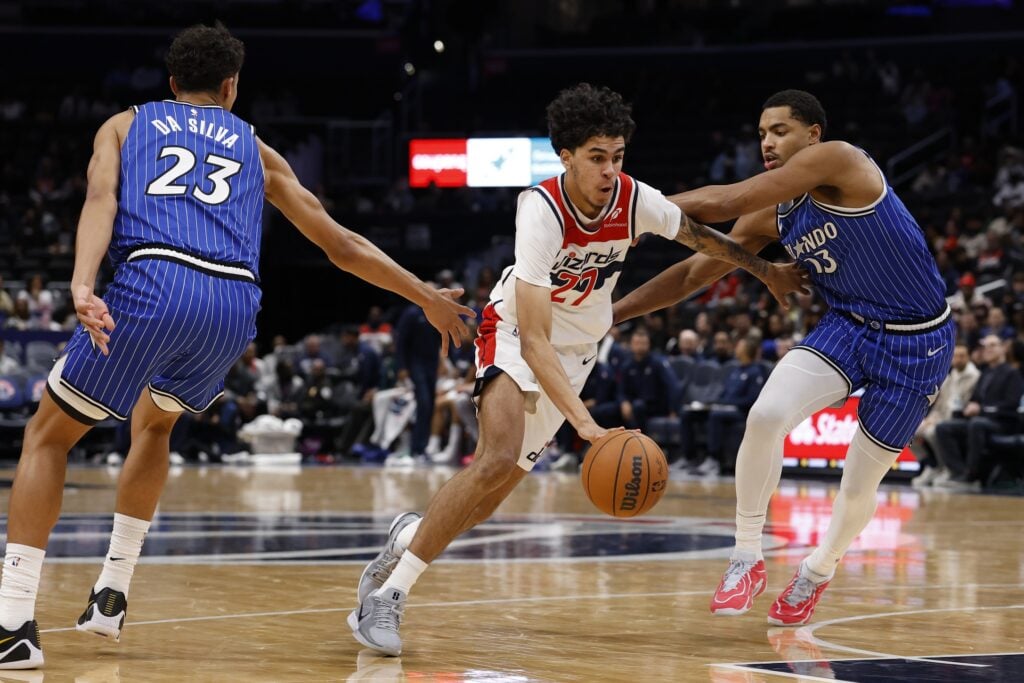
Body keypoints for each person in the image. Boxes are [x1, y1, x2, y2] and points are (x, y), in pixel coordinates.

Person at [0, 23, 473, 669]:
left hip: (154, 280)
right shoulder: (255, 144)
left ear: (171, 84)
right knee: (157, 424)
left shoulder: (126, 123)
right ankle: (112, 590)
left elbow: (101, 198)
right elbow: (341, 245)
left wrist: (83, 284)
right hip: (232, 303)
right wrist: (425, 294)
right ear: (230, 87)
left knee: (47, 437)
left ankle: (13, 624)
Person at [348, 83, 807, 656]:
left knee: (490, 498)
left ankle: (409, 536)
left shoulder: (635, 200)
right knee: (494, 457)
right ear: (565, 157)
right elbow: (536, 339)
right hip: (516, 333)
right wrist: (587, 427)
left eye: (617, 156)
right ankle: (387, 598)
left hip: (578, 351)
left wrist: (762, 270)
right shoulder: (539, 210)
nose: (610, 170)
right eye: (596, 158)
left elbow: (700, 237)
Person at [613, 89, 956, 626]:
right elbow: (691, 275)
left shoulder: (842, 159)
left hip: (918, 342)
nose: (768, 142)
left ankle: (817, 572)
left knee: (859, 482)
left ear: (812, 134)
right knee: (766, 415)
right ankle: (746, 556)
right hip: (847, 327)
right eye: (762, 134)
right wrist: (613, 314)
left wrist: (637, 209)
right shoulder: (771, 216)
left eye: (780, 131)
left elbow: (727, 198)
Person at [933, 335, 1024, 492]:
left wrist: (981, 409)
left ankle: (972, 475)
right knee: (943, 427)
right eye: (985, 346)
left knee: (976, 424)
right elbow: (975, 399)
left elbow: (1011, 404)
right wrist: (970, 407)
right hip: (981, 421)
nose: (988, 349)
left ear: (1002, 348)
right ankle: (958, 472)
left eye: (993, 345)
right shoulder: (986, 372)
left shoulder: (1012, 373)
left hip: (1003, 423)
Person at [910, 343, 979, 488]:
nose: (958, 359)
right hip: (941, 417)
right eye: (956, 356)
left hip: (957, 419)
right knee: (909, 432)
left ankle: (945, 468)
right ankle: (932, 465)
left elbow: (966, 404)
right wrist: (930, 419)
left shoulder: (975, 377)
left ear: (968, 357)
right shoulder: (949, 377)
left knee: (932, 433)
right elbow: (939, 404)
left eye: (962, 356)